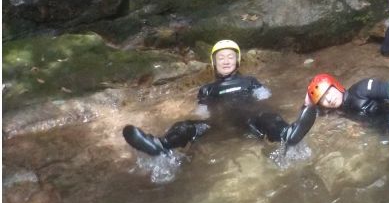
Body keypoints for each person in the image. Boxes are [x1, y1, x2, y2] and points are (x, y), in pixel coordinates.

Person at [122, 40, 316, 156]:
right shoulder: (207, 89)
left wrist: (271, 110)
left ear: (237, 61)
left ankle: (287, 133)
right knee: (185, 126)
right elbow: (202, 112)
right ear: (214, 63)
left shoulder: (249, 81)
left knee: (268, 115)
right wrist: (195, 120)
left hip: (251, 119)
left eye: (230, 57)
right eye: (221, 58)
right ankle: (160, 145)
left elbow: (267, 98)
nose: (225, 61)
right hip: (219, 124)